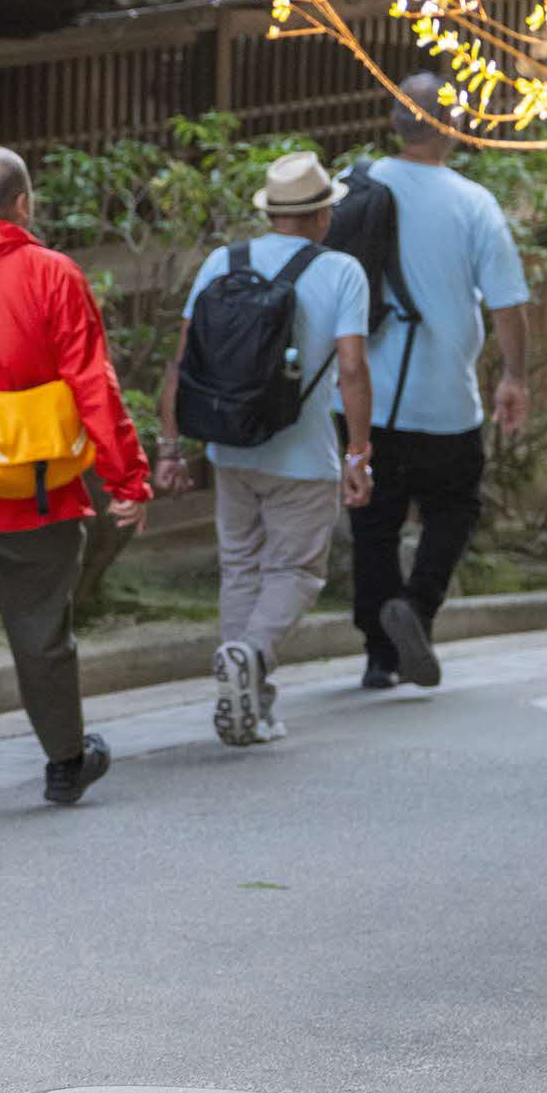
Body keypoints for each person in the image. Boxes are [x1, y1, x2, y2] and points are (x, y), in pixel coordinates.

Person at [0, 145, 152, 815]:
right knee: (43, 638)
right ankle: (66, 765)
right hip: (38, 495)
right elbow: (92, 385)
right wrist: (127, 478)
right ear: (22, 204)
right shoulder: (52, 273)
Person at [153, 154, 377, 745]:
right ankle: (249, 656)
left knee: (242, 568)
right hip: (303, 458)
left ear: (272, 211)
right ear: (322, 214)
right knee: (297, 571)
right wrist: (359, 453)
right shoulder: (342, 271)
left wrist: (171, 448)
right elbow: (352, 367)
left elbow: (181, 363)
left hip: (231, 449)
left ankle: (249, 697)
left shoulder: (222, 262)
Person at [347, 76, 531, 691]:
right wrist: (514, 375)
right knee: (455, 506)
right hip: (444, 398)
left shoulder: (354, 185)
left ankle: (379, 654)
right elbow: (506, 303)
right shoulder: (472, 202)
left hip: (361, 394)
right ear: (452, 127)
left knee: (373, 521)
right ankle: (417, 606)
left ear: (395, 122)